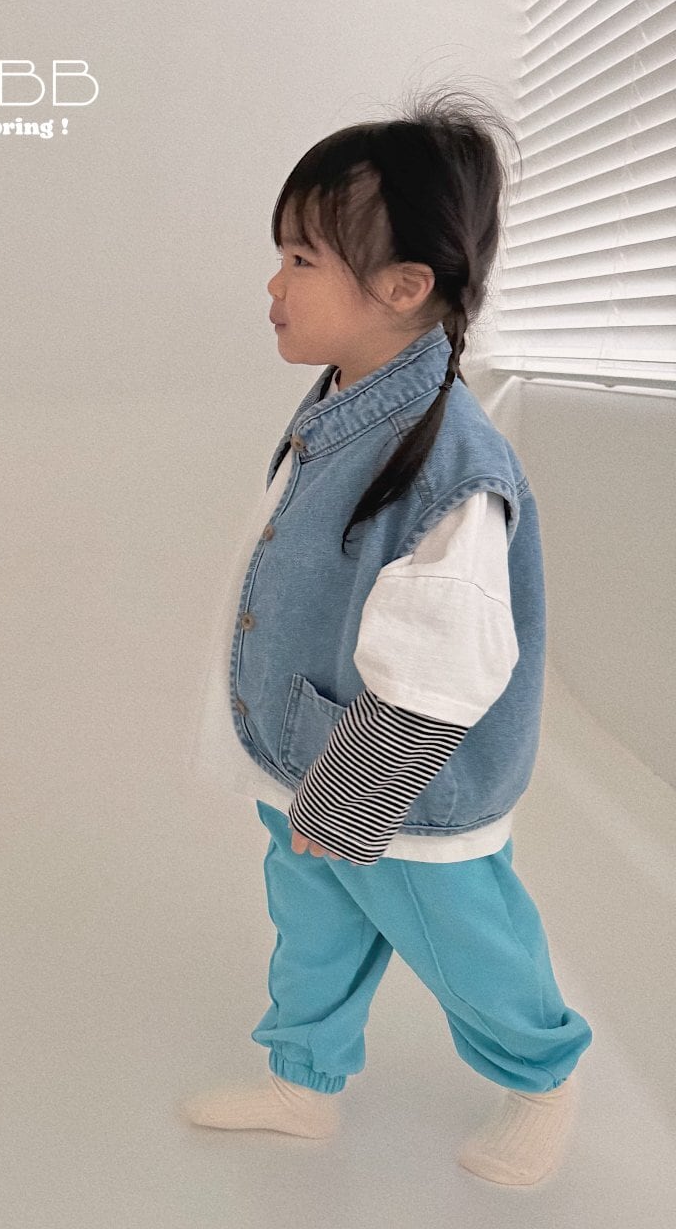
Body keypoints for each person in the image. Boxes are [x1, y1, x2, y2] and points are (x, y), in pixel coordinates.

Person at [180, 88, 593, 1187]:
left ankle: (541, 1075)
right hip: (307, 755)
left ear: (403, 286)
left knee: (467, 941)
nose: (273, 285)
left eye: (301, 259)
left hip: (393, 790)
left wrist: (351, 801)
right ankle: (302, 1079)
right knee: (310, 923)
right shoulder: (344, 407)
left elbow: (446, 666)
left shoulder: (450, 464)